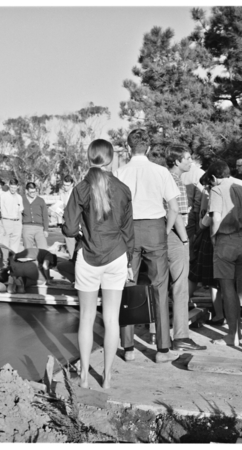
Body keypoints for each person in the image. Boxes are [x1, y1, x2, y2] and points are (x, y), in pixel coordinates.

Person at [62, 138, 134, 389]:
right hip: (117, 256)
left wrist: (82, 235)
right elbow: (128, 231)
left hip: (89, 257)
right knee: (112, 318)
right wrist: (130, 262)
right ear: (112, 158)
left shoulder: (81, 189)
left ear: (89, 158)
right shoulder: (123, 189)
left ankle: (83, 376)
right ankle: (108, 376)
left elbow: (69, 229)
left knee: (86, 317)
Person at [114, 129, 180, 364]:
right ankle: (162, 349)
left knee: (127, 286)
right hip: (155, 229)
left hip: (129, 230)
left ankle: (129, 347)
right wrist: (165, 229)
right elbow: (173, 207)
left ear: (128, 147)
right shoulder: (161, 171)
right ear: (149, 148)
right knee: (159, 287)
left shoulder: (119, 172)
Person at [208, 159, 242, 346]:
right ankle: (238, 334)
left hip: (226, 240)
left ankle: (232, 335)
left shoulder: (217, 189)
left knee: (227, 288)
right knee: (240, 288)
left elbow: (215, 218)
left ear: (214, 177)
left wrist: (214, 239)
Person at [163, 144, 207, 351]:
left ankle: (161, 334)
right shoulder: (177, 183)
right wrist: (185, 239)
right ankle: (181, 336)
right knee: (180, 288)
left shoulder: (161, 178)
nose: (191, 162)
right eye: (188, 158)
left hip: (157, 236)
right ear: (176, 161)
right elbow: (178, 214)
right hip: (175, 237)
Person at [188, 170, 224, 325]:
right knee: (211, 279)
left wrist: (199, 229)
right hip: (215, 238)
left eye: (207, 186)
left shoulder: (215, 193)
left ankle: (218, 315)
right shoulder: (228, 190)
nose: (206, 190)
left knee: (197, 275)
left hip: (209, 237)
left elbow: (210, 217)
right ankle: (219, 314)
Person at [181, 155, 204, 244]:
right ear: (199, 164)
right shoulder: (199, 172)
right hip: (192, 211)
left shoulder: (181, 171)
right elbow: (200, 196)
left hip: (180, 209)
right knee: (191, 238)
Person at [22, 182, 49, 250]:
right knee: (28, 250)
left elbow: (45, 216)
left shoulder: (41, 200)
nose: (33, 194)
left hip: (39, 228)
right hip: (26, 227)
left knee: (43, 249)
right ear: (26, 191)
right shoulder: (22, 199)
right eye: (31, 192)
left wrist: (46, 229)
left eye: (35, 191)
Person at [0, 178, 24, 252]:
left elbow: (20, 211)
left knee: (15, 246)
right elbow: (0, 211)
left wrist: (20, 225)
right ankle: (5, 262)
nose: (13, 189)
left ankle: (12, 261)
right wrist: (2, 225)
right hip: (6, 221)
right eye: (11, 187)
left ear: (17, 187)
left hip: (16, 222)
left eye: (14, 187)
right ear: (9, 186)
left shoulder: (19, 197)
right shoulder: (3, 196)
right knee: (5, 245)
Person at [59, 175, 76, 258]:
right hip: (66, 221)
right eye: (64, 185)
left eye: (67, 185)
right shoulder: (62, 194)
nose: (65, 187)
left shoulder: (76, 193)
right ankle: (72, 258)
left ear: (72, 184)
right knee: (69, 243)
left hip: (75, 221)